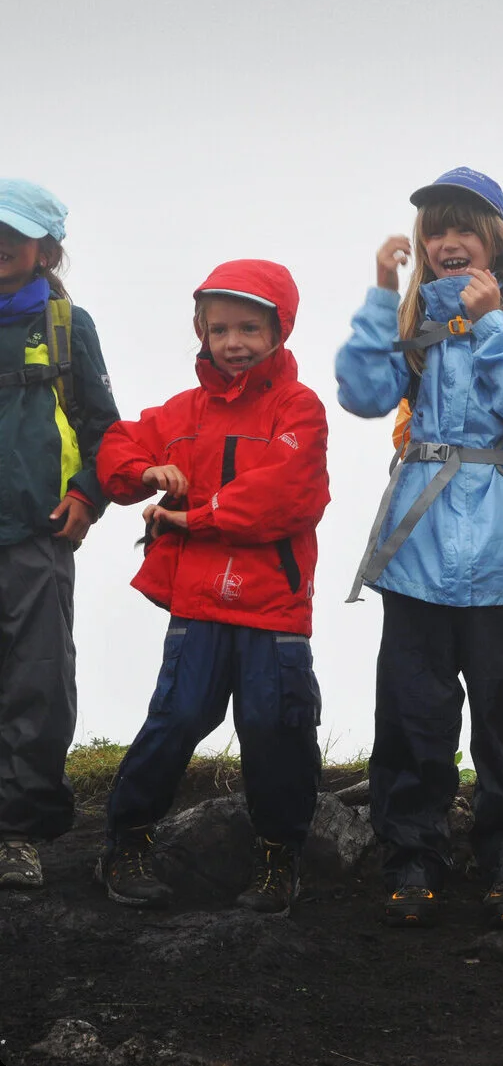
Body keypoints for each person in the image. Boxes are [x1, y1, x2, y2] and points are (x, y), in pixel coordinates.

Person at [336, 167, 503, 930]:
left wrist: (494, 325)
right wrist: (381, 293)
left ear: (494, 238)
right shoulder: (411, 316)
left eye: (462, 228)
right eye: (434, 229)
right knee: (415, 709)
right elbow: (362, 393)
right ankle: (412, 851)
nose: (447, 242)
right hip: (417, 547)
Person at [95, 260, 329, 916]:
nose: (232, 341)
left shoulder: (299, 407)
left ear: (279, 329)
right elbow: (115, 450)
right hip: (199, 605)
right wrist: (147, 467)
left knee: (274, 725)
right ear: (200, 329)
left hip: (274, 609)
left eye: (249, 327)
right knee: (176, 717)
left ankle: (280, 855)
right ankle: (126, 841)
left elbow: (286, 497)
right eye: (218, 326)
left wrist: (193, 513)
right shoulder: (182, 411)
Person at [0, 181, 119, 890]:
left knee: (38, 682)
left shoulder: (72, 325)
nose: (2, 247)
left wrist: (88, 497)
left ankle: (19, 833)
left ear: (47, 247)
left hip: (38, 536)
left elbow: (105, 429)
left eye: (14, 234)